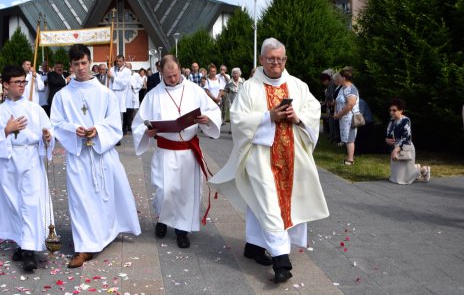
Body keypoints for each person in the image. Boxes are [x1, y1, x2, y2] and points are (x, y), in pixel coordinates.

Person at [209, 38, 329, 284]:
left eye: (280, 59)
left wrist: (296, 117)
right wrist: (268, 117)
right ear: (262, 60)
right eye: (271, 58)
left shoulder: (297, 85)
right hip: (260, 156)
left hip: (292, 156)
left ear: (285, 60)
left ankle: (253, 246)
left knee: (261, 203)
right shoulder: (250, 87)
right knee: (269, 203)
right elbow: (239, 120)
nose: (276, 63)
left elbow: (313, 111)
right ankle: (281, 260)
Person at [50, 44, 141, 268]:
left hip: (102, 155)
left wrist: (98, 130)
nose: (80, 68)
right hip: (78, 156)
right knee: (80, 201)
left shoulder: (105, 93)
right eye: (76, 64)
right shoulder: (62, 96)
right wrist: (74, 129)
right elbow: (56, 124)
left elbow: (114, 124)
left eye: (84, 62)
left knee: (103, 198)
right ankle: (84, 247)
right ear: (70, 66)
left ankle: (104, 234)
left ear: (90, 62)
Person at [132, 55, 221, 249]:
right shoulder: (153, 95)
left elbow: (214, 111)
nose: (173, 79)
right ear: (160, 72)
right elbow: (138, 124)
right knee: (165, 191)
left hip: (188, 151)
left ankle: (182, 230)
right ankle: (163, 220)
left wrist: (207, 119)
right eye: (168, 76)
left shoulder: (195, 90)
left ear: (180, 69)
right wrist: (147, 131)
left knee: (187, 193)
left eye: (175, 74)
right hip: (165, 151)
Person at [0, 65, 54, 272]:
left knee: (31, 203)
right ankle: (21, 243)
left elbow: (48, 131)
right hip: (9, 161)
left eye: (24, 82)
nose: (22, 86)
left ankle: (29, 251)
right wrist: (6, 130)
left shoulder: (34, 109)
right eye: (17, 82)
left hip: (30, 159)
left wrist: (48, 137)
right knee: (14, 203)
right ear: (6, 85)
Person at [386, 98, 431, 184]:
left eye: (394, 110)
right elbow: (388, 134)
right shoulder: (391, 121)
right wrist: (387, 140)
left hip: (405, 148)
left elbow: (406, 138)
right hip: (394, 148)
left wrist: (395, 150)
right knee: (395, 179)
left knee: (405, 180)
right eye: (390, 110)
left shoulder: (406, 120)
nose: (391, 112)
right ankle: (415, 167)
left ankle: (424, 169)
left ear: (401, 110)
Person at [333, 67, 360, 165]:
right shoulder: (342, 88)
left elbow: (350, 105)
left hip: (350, 118)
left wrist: (339, 114)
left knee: (350, 138)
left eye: (339, 77)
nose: (338, 78)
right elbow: (337, 101)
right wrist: (336, 112)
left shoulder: (351, 89)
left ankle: (350, 159)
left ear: (344, 78)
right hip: (343, 118)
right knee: (346, 137)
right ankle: (349, 156)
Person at [108, 54, 132, 136]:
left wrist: (114, 78)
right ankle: (111, 132)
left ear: (123, 62)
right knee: (111, 114)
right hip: (111, 94)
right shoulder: (111, 69)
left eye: (120, 61)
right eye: (117, 61)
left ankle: (118, 133)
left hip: (120, 95)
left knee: (119, 116)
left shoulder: (127, 71)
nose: (118, 63)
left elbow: (124, 84)